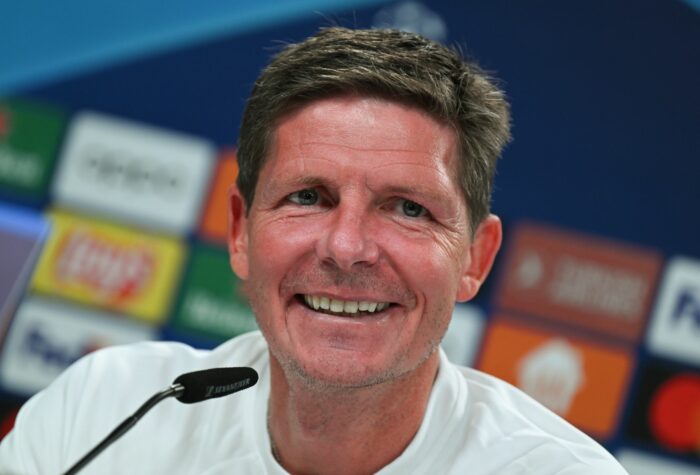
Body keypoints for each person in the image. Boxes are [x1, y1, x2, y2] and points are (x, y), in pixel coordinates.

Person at [0, 27, 628, 474]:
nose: (346, 247)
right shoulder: (103, 415)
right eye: (308, 196)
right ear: (241, 231)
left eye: (409, 208)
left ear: (475, 259)